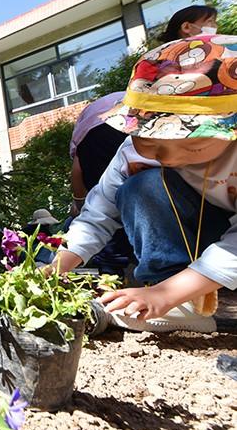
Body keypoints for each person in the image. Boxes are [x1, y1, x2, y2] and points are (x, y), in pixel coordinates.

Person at [53, 33, 237, 333]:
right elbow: (96, 215)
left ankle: (175, 294)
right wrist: (54, 268)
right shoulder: (131, 155)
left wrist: (167, 294)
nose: (167, 156)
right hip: (198, 232)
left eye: (190, 146)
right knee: (143, 186)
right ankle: (181, 302)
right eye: (150, 144)